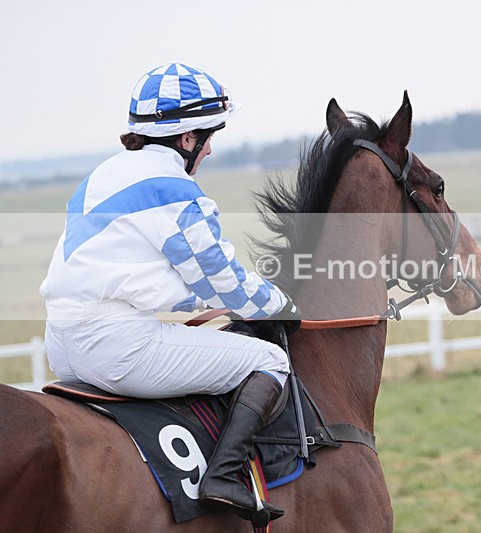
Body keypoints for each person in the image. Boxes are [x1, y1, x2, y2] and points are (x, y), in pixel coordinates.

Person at [40, 62, 296, 525]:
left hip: (62, 344)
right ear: (186, 139)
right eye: (208, 136)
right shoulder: (175, 188)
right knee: (269, 361)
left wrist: (201, 303)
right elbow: (223, 277)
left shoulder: (103, 176)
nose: (209, 148)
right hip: (117, 347)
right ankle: (222, 477)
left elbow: (140, 272)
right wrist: (280, 305)